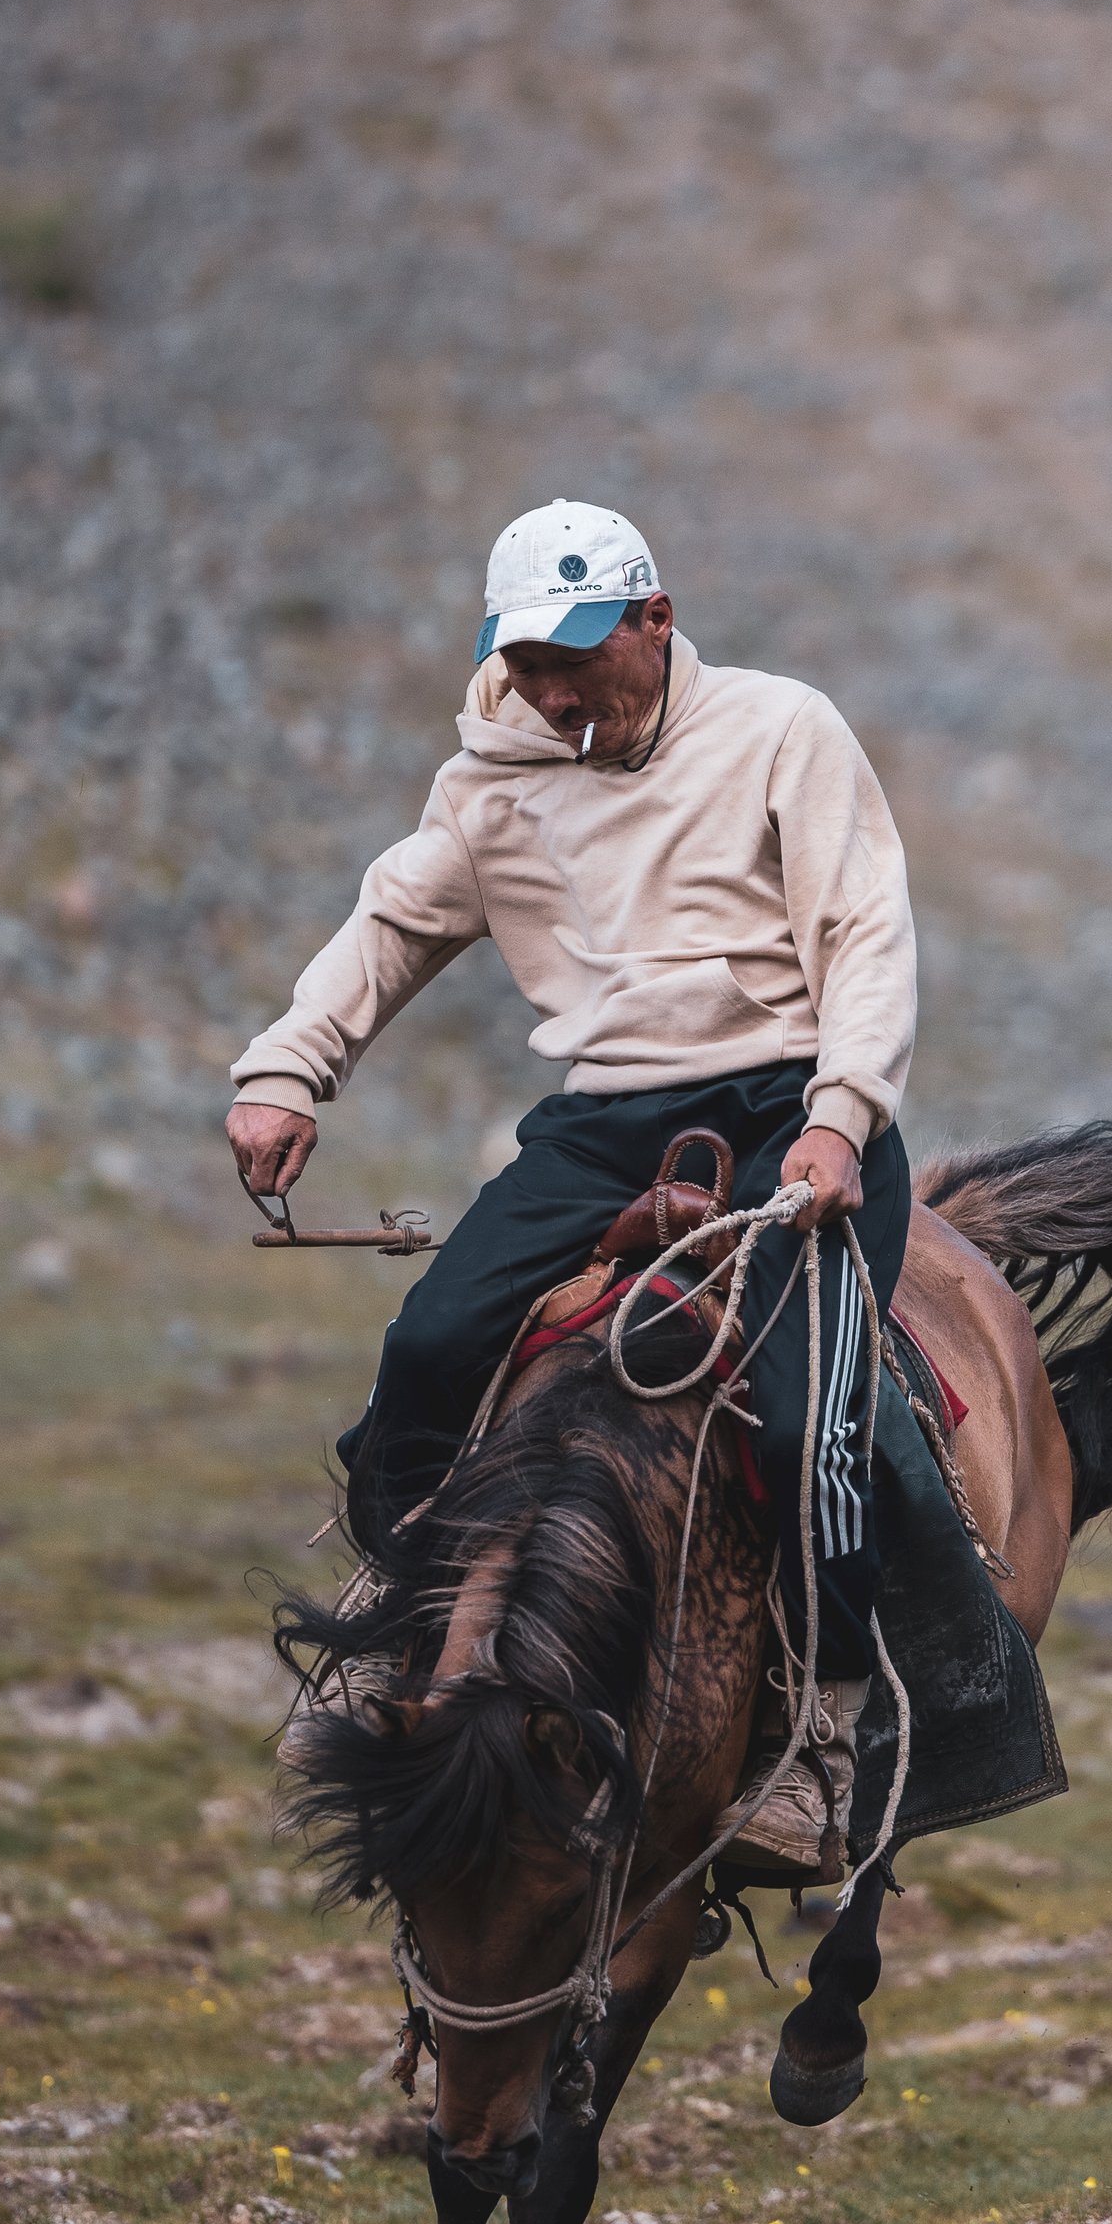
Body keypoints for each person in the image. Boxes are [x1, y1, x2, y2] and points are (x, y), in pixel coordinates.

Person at [224, 498, 915, 1880]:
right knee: (426, 1351)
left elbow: (865, 931)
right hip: (602, 1124)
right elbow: (393, 924)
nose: (552, 687)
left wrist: (840, 1119)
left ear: (655, 621)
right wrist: (289, 1067)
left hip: (790, 1107)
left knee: (801, 1417)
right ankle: (394, 1641)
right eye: (527, 659)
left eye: (578, 655)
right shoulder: (494, 777)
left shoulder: (784, 731)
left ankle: (824, 1733)